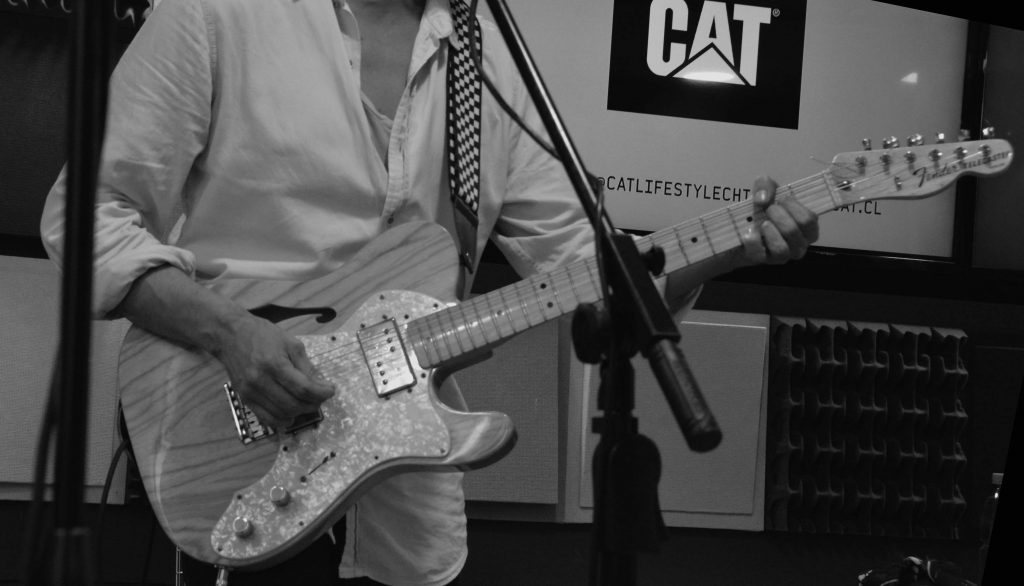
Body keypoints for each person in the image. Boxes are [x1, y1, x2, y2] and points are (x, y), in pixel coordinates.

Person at [40, 0, 819, 584]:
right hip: (234, 440)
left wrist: (729, 247)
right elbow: (86, 216)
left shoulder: (490, 56)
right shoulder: (221, 10)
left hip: (405, 495)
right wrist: (230, 333)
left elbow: (594, 278)